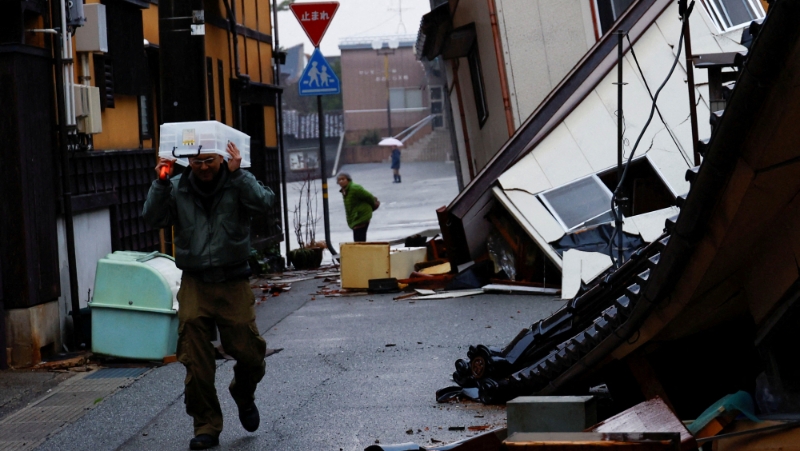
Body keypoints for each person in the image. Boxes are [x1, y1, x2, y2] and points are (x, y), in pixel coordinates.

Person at [142, 142, 275, 450]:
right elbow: (152, 217)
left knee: (251, 354)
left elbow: (264, 204)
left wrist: (239, 174)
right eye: (196, 160)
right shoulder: (176, 187)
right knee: (195, 359)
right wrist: (161, 180)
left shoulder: (237, 182)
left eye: (209, 160)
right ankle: (206, 425)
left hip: (233, 281)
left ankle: (243, 392)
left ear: (222, 158)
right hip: (195, 283)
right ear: (188, 160)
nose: (202, 166)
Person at [337, 172, 379, 242]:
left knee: (359, 238)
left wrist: (372, 206)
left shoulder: (354, 188)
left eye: (343, 179)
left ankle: (362, 252)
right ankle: (361, 251)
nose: (341, 181)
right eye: (339, 180)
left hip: (361, 216)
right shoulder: (345, 190)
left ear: (348, 179)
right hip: (356, 216)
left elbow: (369, 196)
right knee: (358, 239)